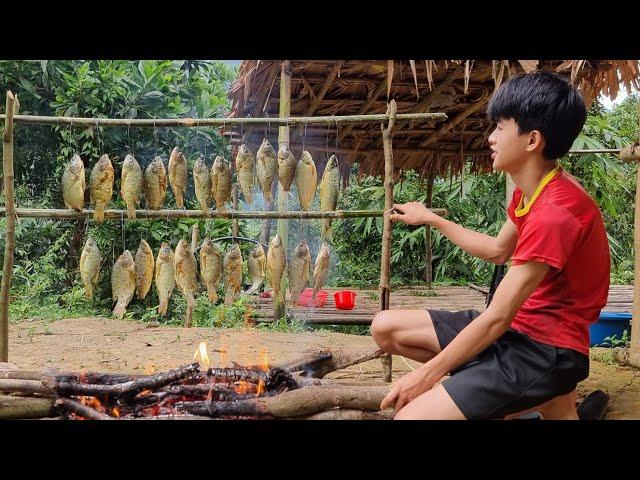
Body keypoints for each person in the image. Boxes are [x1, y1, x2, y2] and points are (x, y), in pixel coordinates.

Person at [372, 71, 610, 420]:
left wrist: (426, 376)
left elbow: (498, 316)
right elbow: (498, 249)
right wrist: (431, 218)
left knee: (409, 417)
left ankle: (535, 394)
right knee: (385, 327)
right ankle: (532, 400)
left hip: (547, 349)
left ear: (532, 140)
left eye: (500, 127)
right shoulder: (532, 190)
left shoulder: (555, 213)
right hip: (519, 329)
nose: (490, 137)